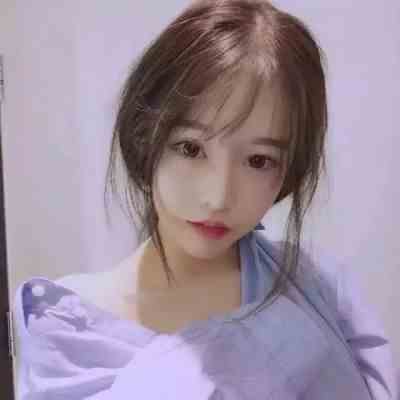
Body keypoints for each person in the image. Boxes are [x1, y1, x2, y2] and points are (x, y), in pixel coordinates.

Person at [13, 0, 398, 399]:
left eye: (259, 160)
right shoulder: (69, 335)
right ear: (144, 135)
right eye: (191, 149)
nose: (218, 197)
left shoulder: (316, 287)